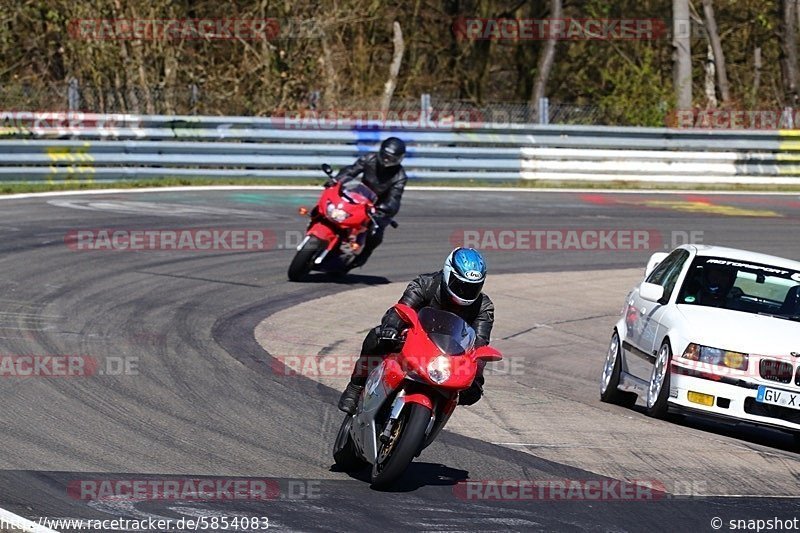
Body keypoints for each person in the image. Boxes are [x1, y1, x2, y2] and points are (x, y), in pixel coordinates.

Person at [337, 247, 494, 414]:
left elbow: (479, 344)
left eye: (472, 287)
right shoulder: (426, 284)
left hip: (449, 357)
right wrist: (391, 327)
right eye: (460, 285)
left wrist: (477, 376)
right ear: (448, 273)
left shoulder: (484, 307)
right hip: (413, 340)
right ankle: (356, 386)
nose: (465, 292)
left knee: (468, 390)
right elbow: (401, 309)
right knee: (375, 337)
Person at [329, 137, 408, 268]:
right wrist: (337, 180)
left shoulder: (400, 176)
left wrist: (385, 209)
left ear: (399, 159)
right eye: (385, 156)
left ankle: (364, 253)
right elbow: (352, 170)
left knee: (375, 231)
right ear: (381, 152)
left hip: (378, 207)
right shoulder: (369, 158)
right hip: (359, 195)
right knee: (332, 206)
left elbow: (395, 198)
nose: (387, 160)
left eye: (392, 159)